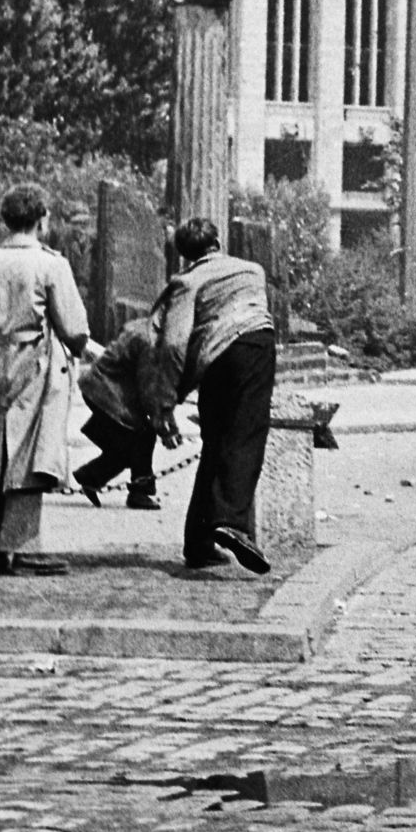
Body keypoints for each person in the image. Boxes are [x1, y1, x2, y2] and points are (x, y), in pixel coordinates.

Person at [0, 184, 93, 575]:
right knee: (30, 453)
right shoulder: (51, 264)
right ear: (42, 219)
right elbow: (74, 329)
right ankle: (23, 545)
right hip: (33, 361)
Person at [149, 218, 278, 575]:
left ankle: (199, 542)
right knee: (245, 436)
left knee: (216, 440)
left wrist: (165, 400)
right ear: (218, 242)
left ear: (184, 255)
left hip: (214, 361)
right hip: (254, 345)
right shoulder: (253, 271)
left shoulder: (186, 281)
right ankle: (231, 522)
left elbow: (174, 343)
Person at [74, 317, 165, 511]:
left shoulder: (144, 327)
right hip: (107, 390)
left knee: (128, 444)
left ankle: (91, 476)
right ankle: (139, 492)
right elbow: (147, 386)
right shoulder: (151, 341)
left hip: (100, 386)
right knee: (143, 434)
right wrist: (160, 416)